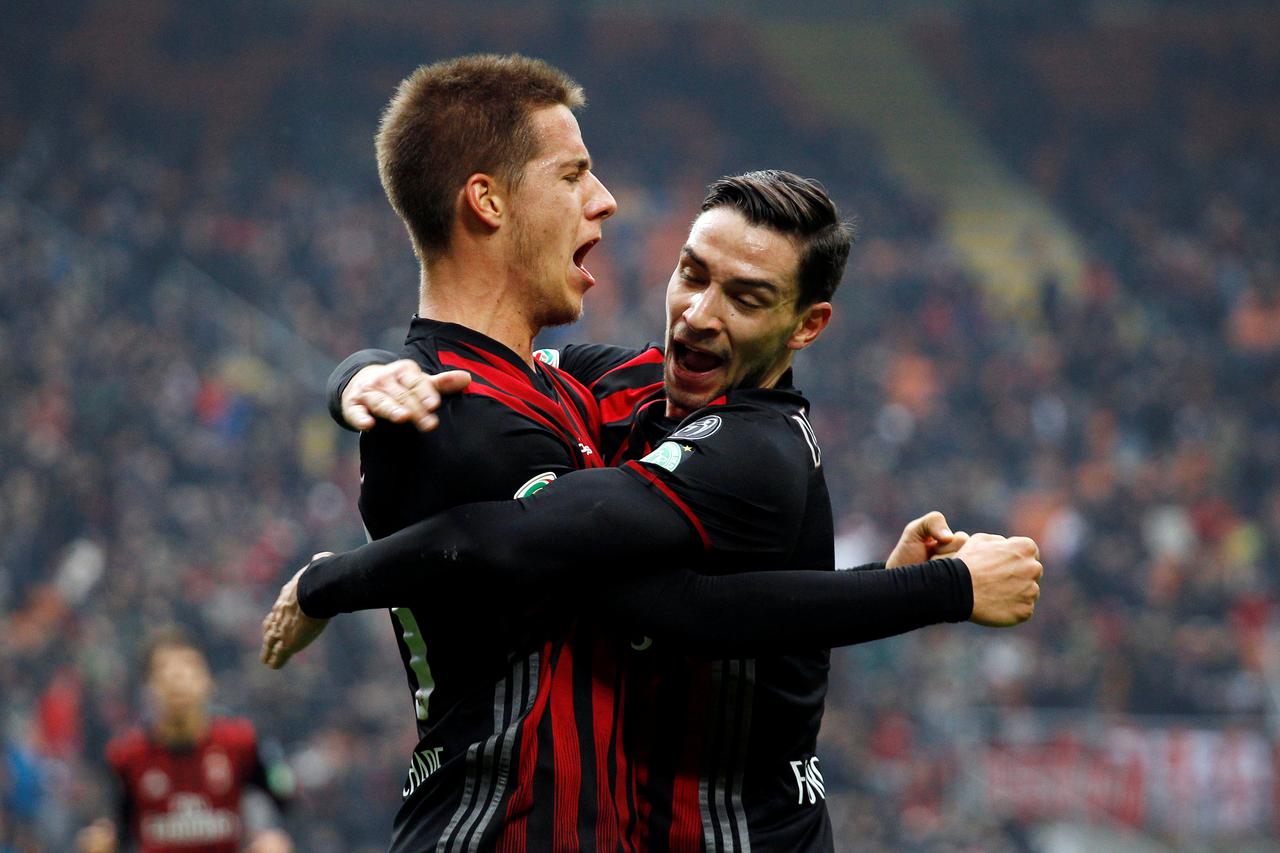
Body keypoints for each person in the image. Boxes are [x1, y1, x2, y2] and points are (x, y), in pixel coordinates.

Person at [264, 160, 1042, 849]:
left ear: (807, 325)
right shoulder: (633, 381)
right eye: (693, 274)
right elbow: (483, 364)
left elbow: (624, 586)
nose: (700, 315)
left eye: (747, 297)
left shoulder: (756, 453)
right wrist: (360, 376)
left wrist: (327, 583)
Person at [77, 628, 293, 853]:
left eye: (188, 666)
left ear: (208, 681)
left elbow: (284, 793)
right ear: (148, 687)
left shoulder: (240, 742)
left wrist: (271, 834)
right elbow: (113, 826)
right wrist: (101, 840)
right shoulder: (126, 757)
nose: (177, 677)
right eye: (164, 669)